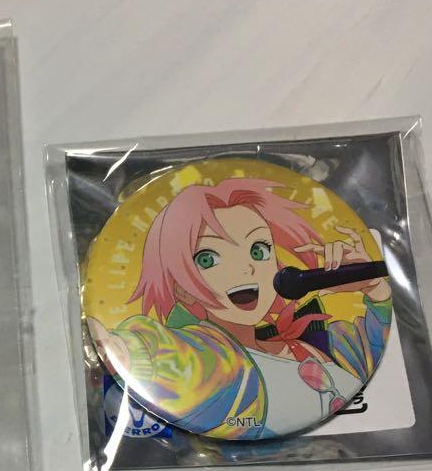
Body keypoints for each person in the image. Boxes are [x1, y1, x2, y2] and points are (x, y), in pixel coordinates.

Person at [86, 178, 392, 438]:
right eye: (208, 258)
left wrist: (373, 285)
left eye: (258, 250)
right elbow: (179, 359)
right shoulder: (221, 362)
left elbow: (371, 345)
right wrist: (123, 349)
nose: (246, 269)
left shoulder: (314, 346)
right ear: (181, 288)